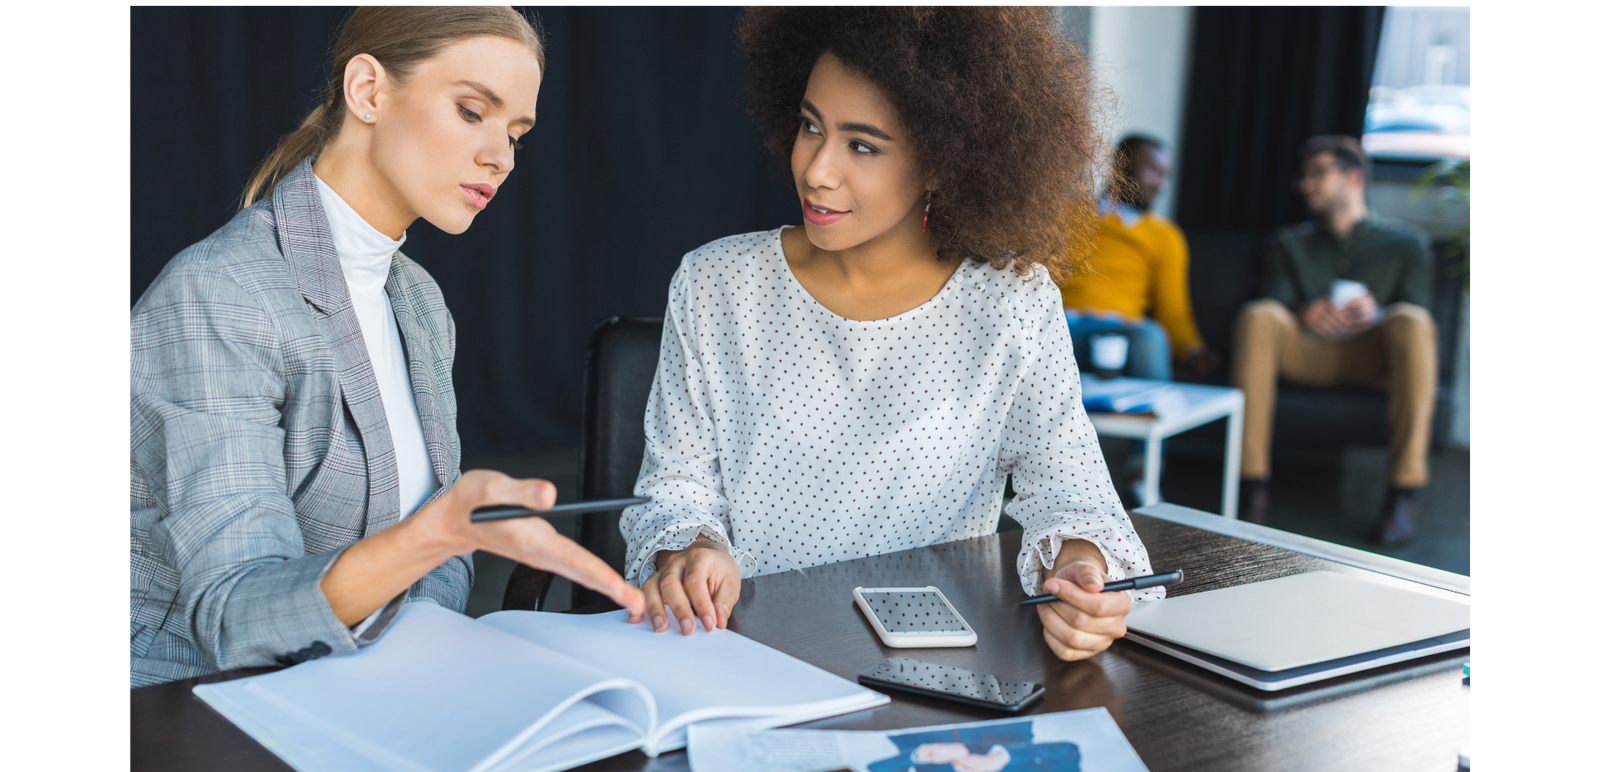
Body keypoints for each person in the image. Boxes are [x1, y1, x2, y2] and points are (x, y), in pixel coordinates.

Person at [619, 6, 1162, 662]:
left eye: (862, 145)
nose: (817, 168)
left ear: (941, 161)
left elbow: (1073, 494)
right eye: (810, 126)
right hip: (748, 659)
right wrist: (691, 548)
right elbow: (674, 489)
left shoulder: (1011, 305)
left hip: (933, 672)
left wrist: (1083, 568)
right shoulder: (717, 285)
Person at [129, 6, 645, 687]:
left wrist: (421, 670)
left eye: (517, 133)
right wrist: (444, 530)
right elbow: (235, 617)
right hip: (198, 716)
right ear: (368, 91)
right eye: (471, 111)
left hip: (364, 693)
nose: (501, 156)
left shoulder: (420, 303)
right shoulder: (218, 295)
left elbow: (438, 570)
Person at [1232, 135, 1435, 543]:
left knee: (1412, 321)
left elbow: (1417, 307)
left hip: (1372, 357)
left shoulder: (1406, 243)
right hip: (1307, 351)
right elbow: (1277, 298)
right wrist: (1305, 310)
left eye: (1318, 174)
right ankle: (1250, 488)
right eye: (1304, 176)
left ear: (1354, 177)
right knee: (1258, 314)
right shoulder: (1289, 243)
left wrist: (1376, 313)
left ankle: (1401, 495)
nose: (1306, 184)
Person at [1053, 135, 1216, 381]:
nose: (1160, 184)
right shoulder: (1067, 213)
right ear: (1120, 164)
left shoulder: (1166, 237)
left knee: (1150, 336)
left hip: (1124, 333)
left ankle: (1151, 415)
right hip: (1062, 324)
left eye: (1165, 175)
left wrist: (1194, 351)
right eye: (1153, 170)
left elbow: (1174, 314)